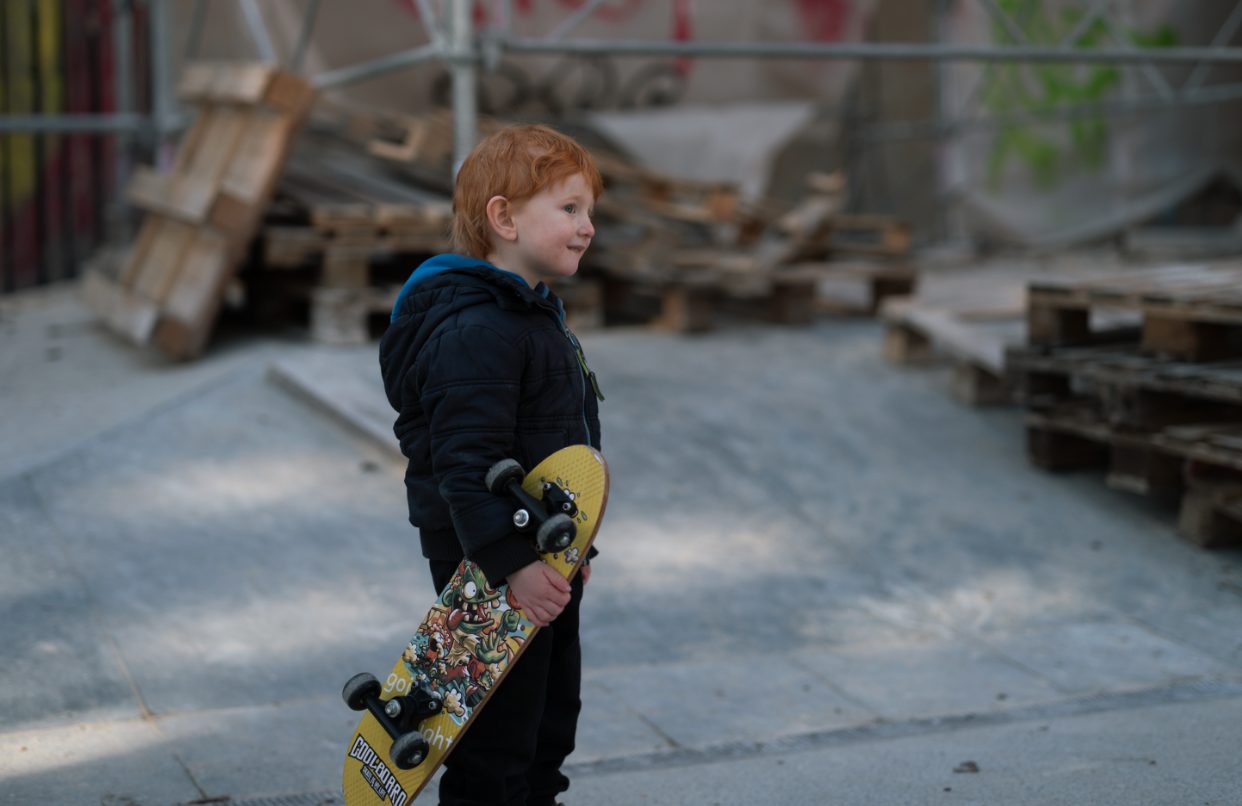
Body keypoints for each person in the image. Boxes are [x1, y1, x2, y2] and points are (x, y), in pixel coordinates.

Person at [379, 123, 604, 806]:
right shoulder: (477, 330)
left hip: (539, 554)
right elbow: (466, 461)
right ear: (502, 218)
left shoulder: (530, 315)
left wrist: (576, 541)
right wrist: (514, 562)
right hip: (491, 559)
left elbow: (556, 449)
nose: (587, 227)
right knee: (496, 733)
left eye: (589, 211)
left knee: (549, 721)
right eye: (569, 209)